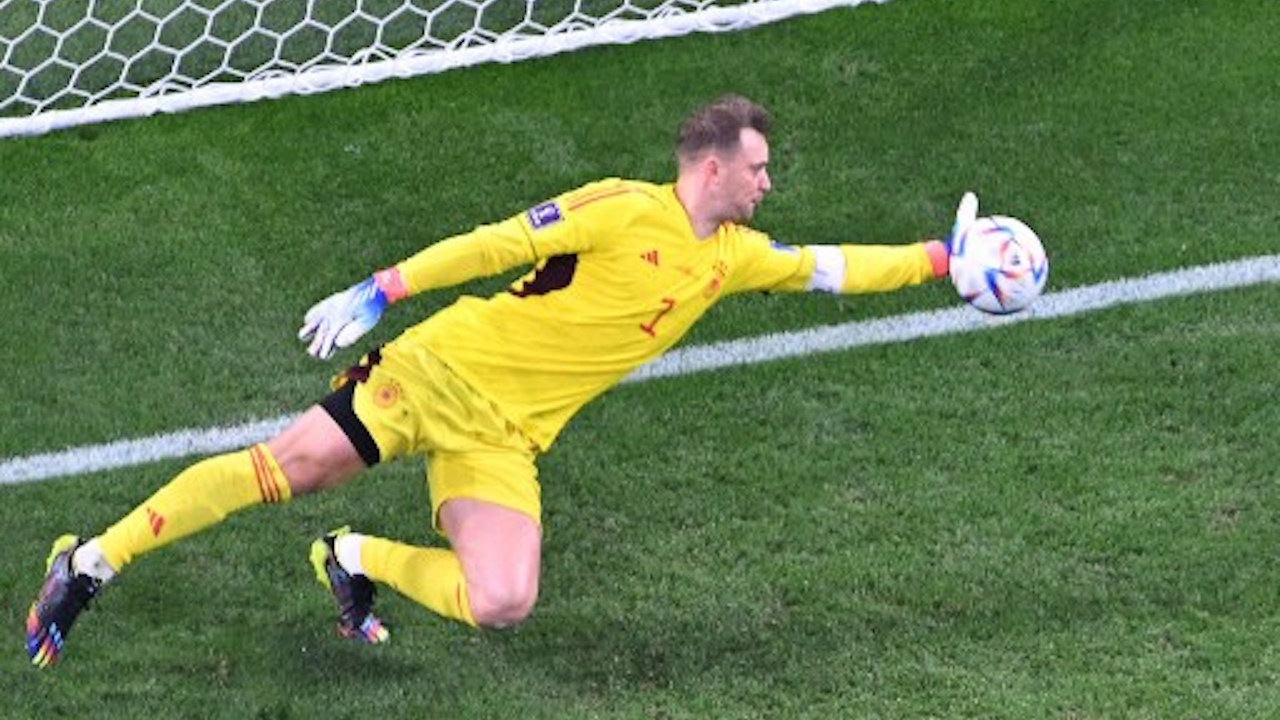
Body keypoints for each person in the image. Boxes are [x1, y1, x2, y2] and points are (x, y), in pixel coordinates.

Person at [25, 94, 965, 668]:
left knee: (503, 601)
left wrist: (941, 259)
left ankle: (352, 558)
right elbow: (496, 244)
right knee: (287, 469)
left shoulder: (735, 256)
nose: (768, 184)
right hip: (439, 371)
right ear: (713, 167)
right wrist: (384, 287)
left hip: (505, 439)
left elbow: (831, 267)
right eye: (758, 169)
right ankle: (92, 562)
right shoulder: (619, 209)